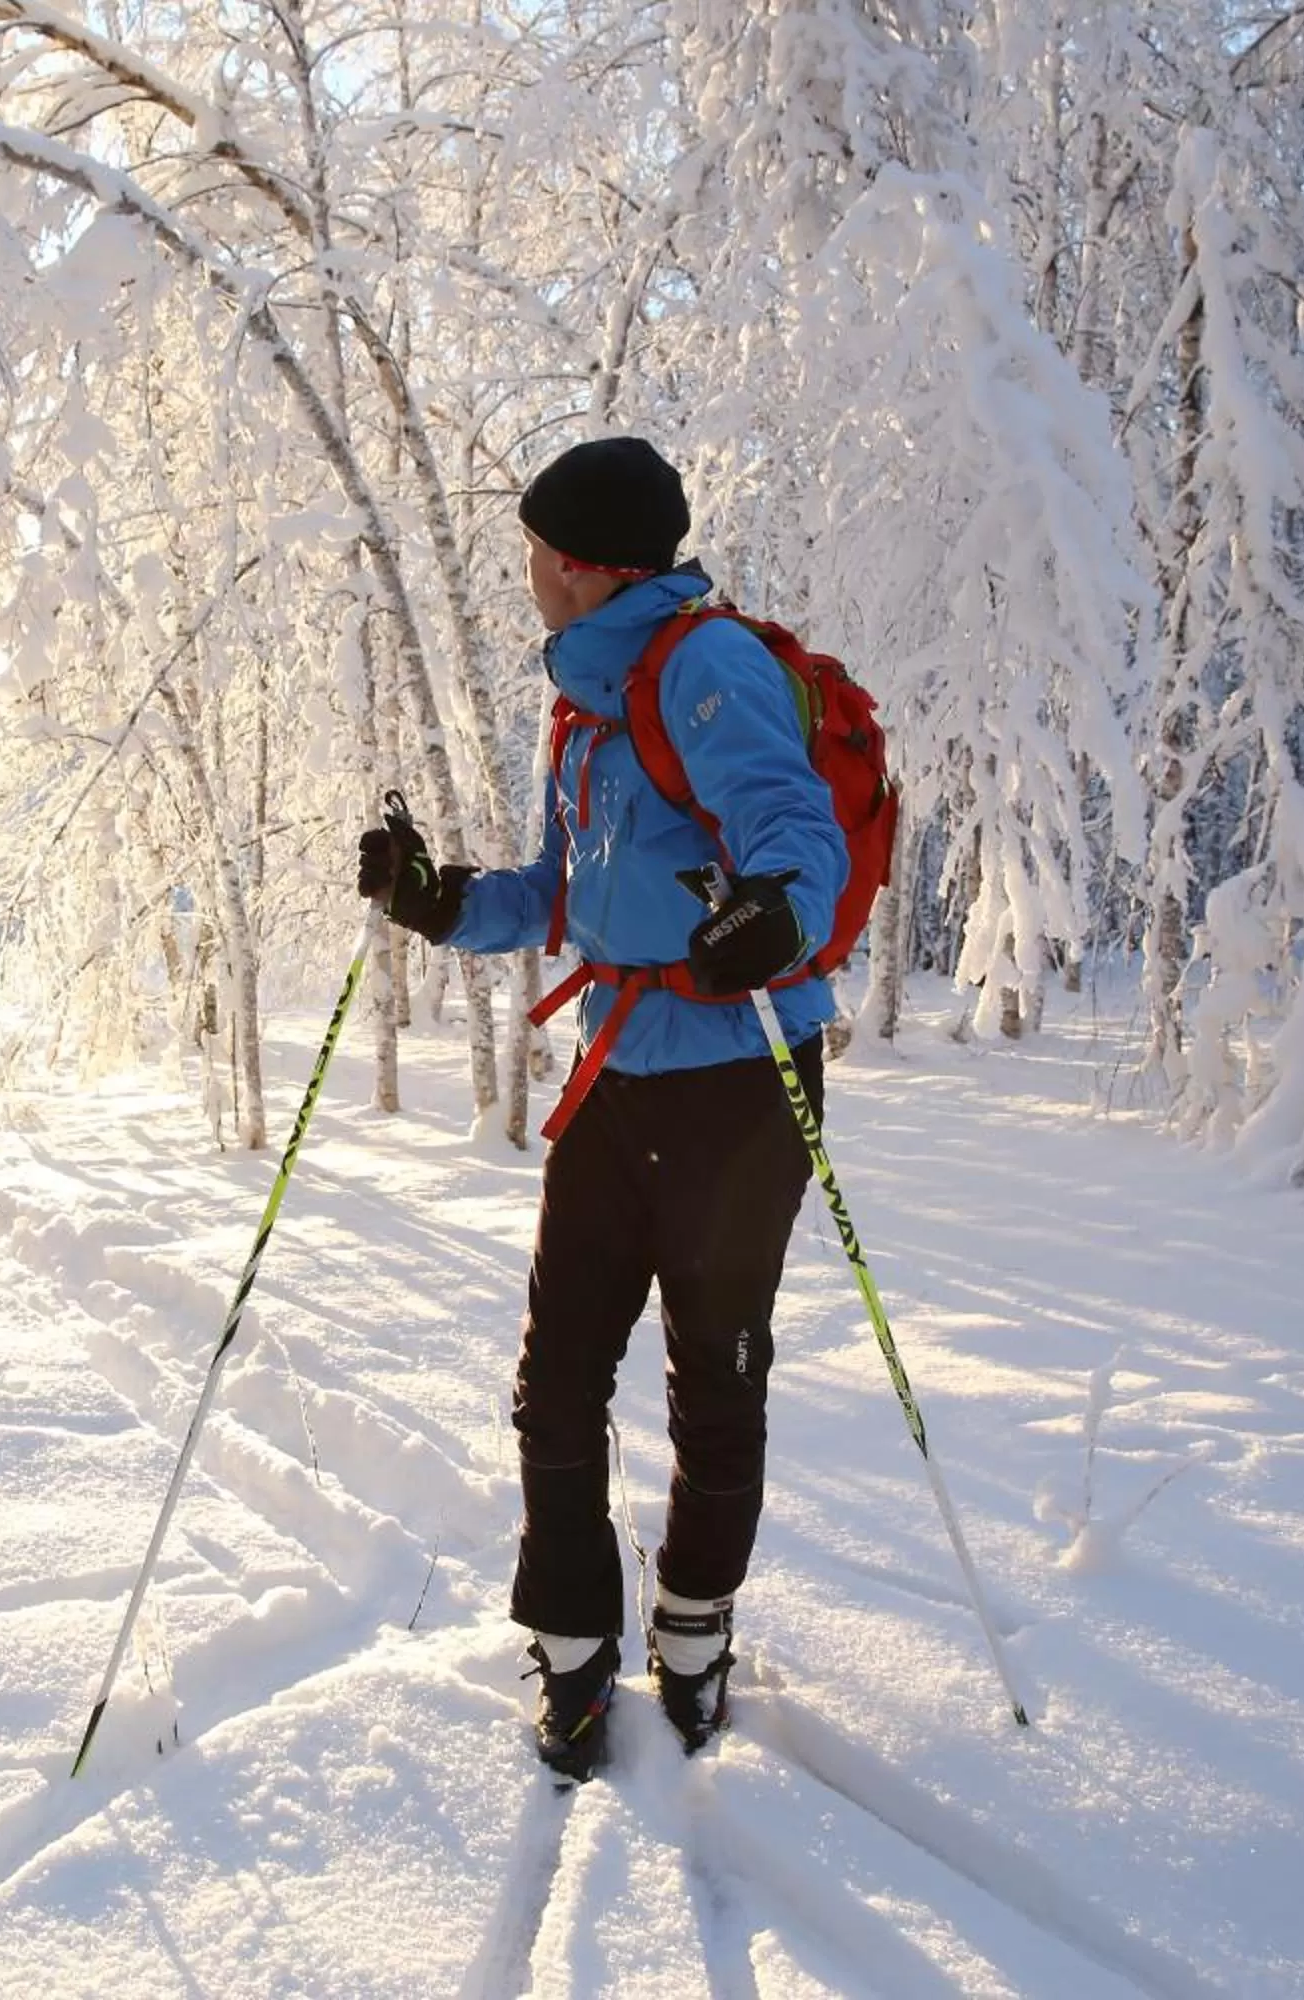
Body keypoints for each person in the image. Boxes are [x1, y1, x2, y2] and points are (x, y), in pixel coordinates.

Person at [357, 436, 848, 1779]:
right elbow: (561, 899)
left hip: (741, 1081)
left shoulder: (704, 667)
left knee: (714, 1372)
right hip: (619, 1068)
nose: (524, 573)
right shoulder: (586, 703)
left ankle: (693, 1636)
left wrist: (775, 918)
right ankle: (573, 1654)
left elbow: (800, 833)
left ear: (578, 563)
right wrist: (439, 900)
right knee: (557, 1379)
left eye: (532, 551)